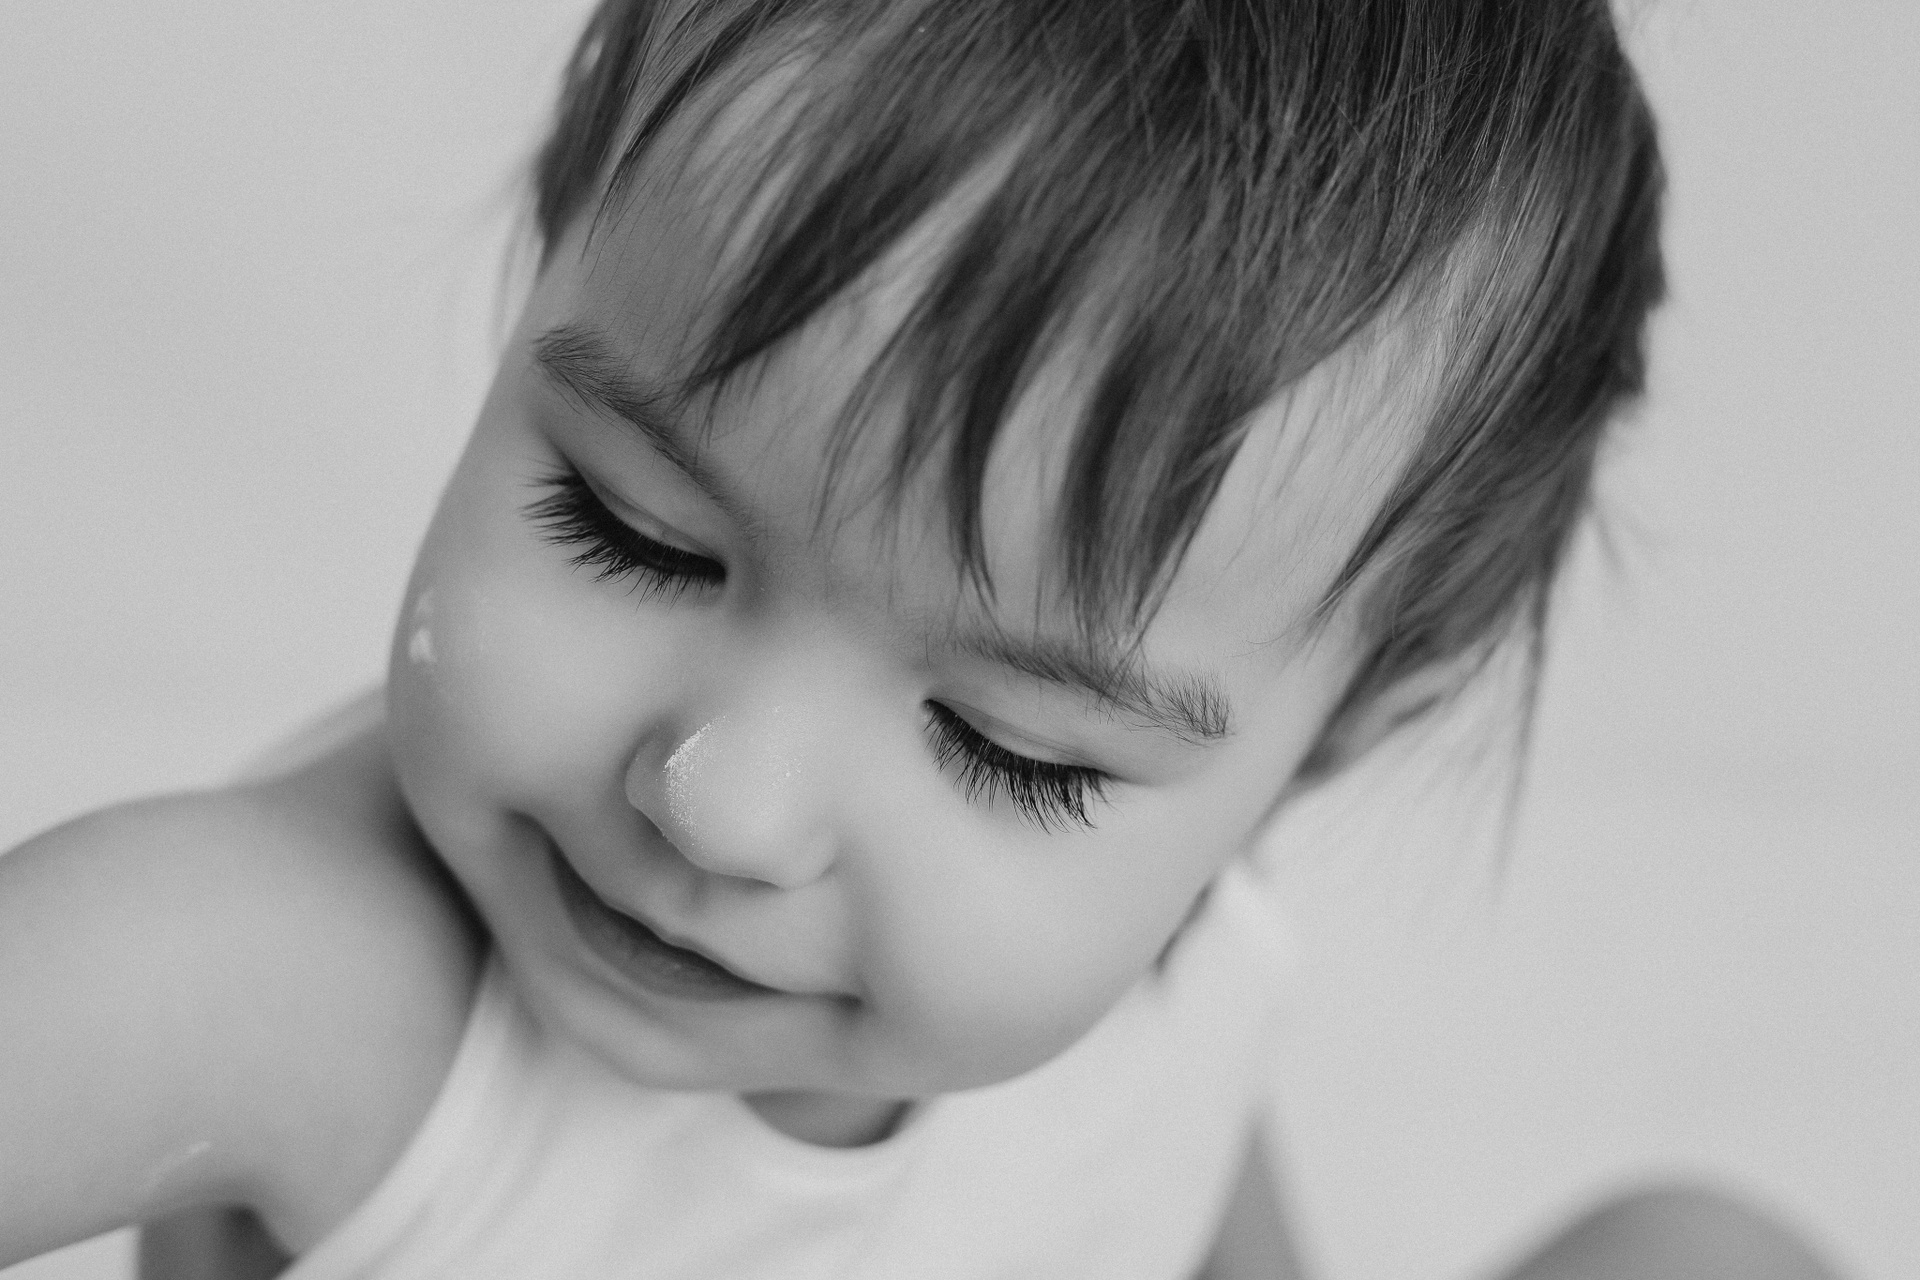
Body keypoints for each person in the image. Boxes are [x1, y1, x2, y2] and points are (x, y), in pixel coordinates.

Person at [0, 1, 1838, 1277]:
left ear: (1324, 741)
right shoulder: (286, 982)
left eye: (1011, 754)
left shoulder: (1163, 947)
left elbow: (1161, 1187)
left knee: (1703, 1256)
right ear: (551, 260)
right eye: (627, 531)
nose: (721, 806)